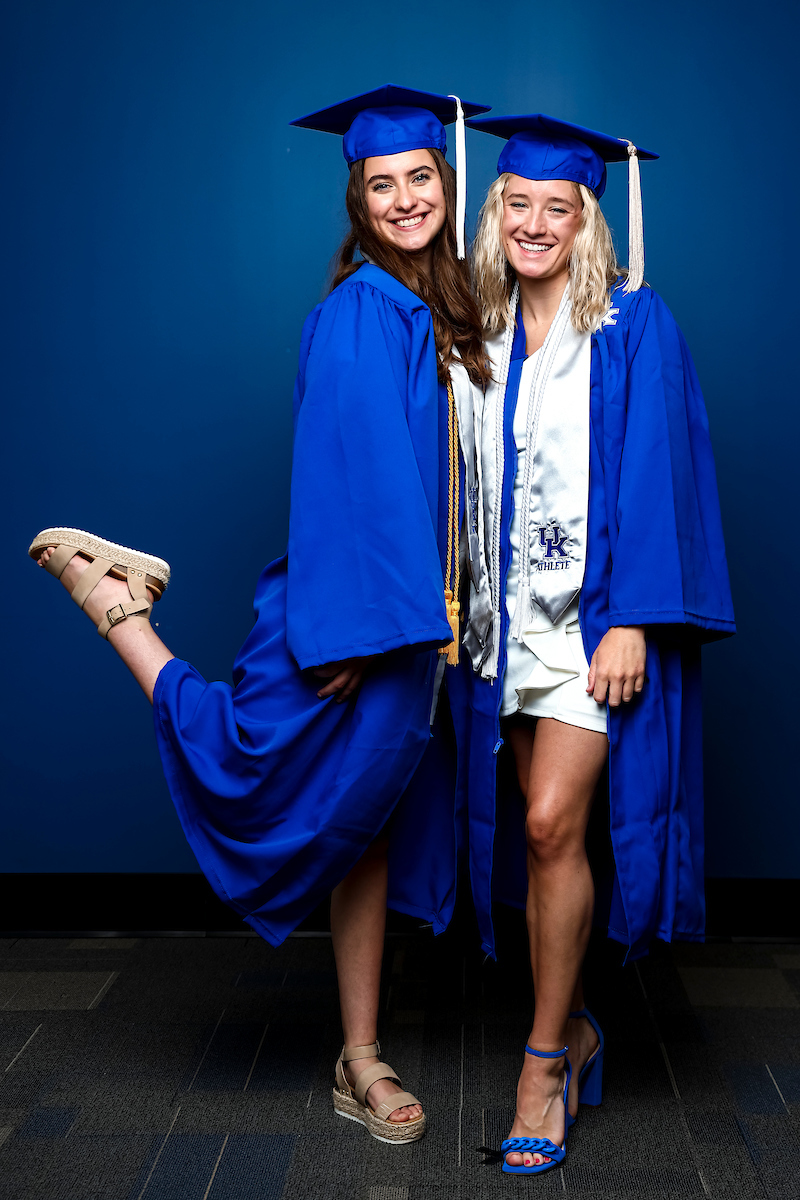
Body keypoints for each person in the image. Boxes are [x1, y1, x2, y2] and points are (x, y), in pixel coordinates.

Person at [28, 84, 492, 1146]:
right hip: (362, 618)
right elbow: (347, 482)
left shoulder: (439, 312)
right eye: (382, 184)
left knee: (360, 828)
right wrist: (353, 630)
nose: (405, 198)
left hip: (413, 626)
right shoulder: (352, 317)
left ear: (444, 184)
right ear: (358, 202)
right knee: (255, 768)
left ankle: (360, 1057)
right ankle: (115, 604)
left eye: (420, 178)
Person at [457, 112, 735, 1174]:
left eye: (555, 208)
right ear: (496, 215)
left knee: (542, 821)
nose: (534, 223)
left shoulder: (629, 323)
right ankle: (571, 1028)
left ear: (588, 221)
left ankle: (539, 1063)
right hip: (499, 627)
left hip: (587, 624)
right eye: (516, 204)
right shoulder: (474, 327)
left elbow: (661, 467)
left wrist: (629, 618)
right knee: (545, 845)